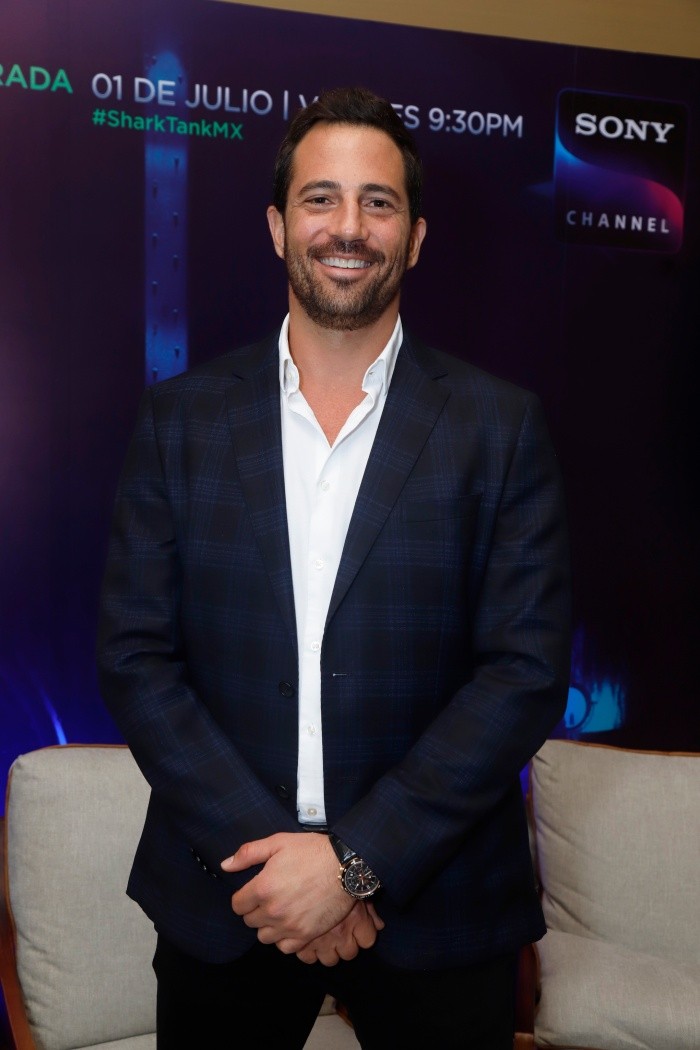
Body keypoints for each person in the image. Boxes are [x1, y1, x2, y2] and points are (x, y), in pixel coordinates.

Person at [97, 85, 571, 1049]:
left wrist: (355, 864)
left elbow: (522, 675)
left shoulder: (501, 426)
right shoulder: (181, 420)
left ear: (416, 237)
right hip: (231, 895)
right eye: (321, 198)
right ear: (278, 226)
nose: (347, 227)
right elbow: (136, 657)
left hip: (438, 907)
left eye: (377, 202)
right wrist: (281, 870)